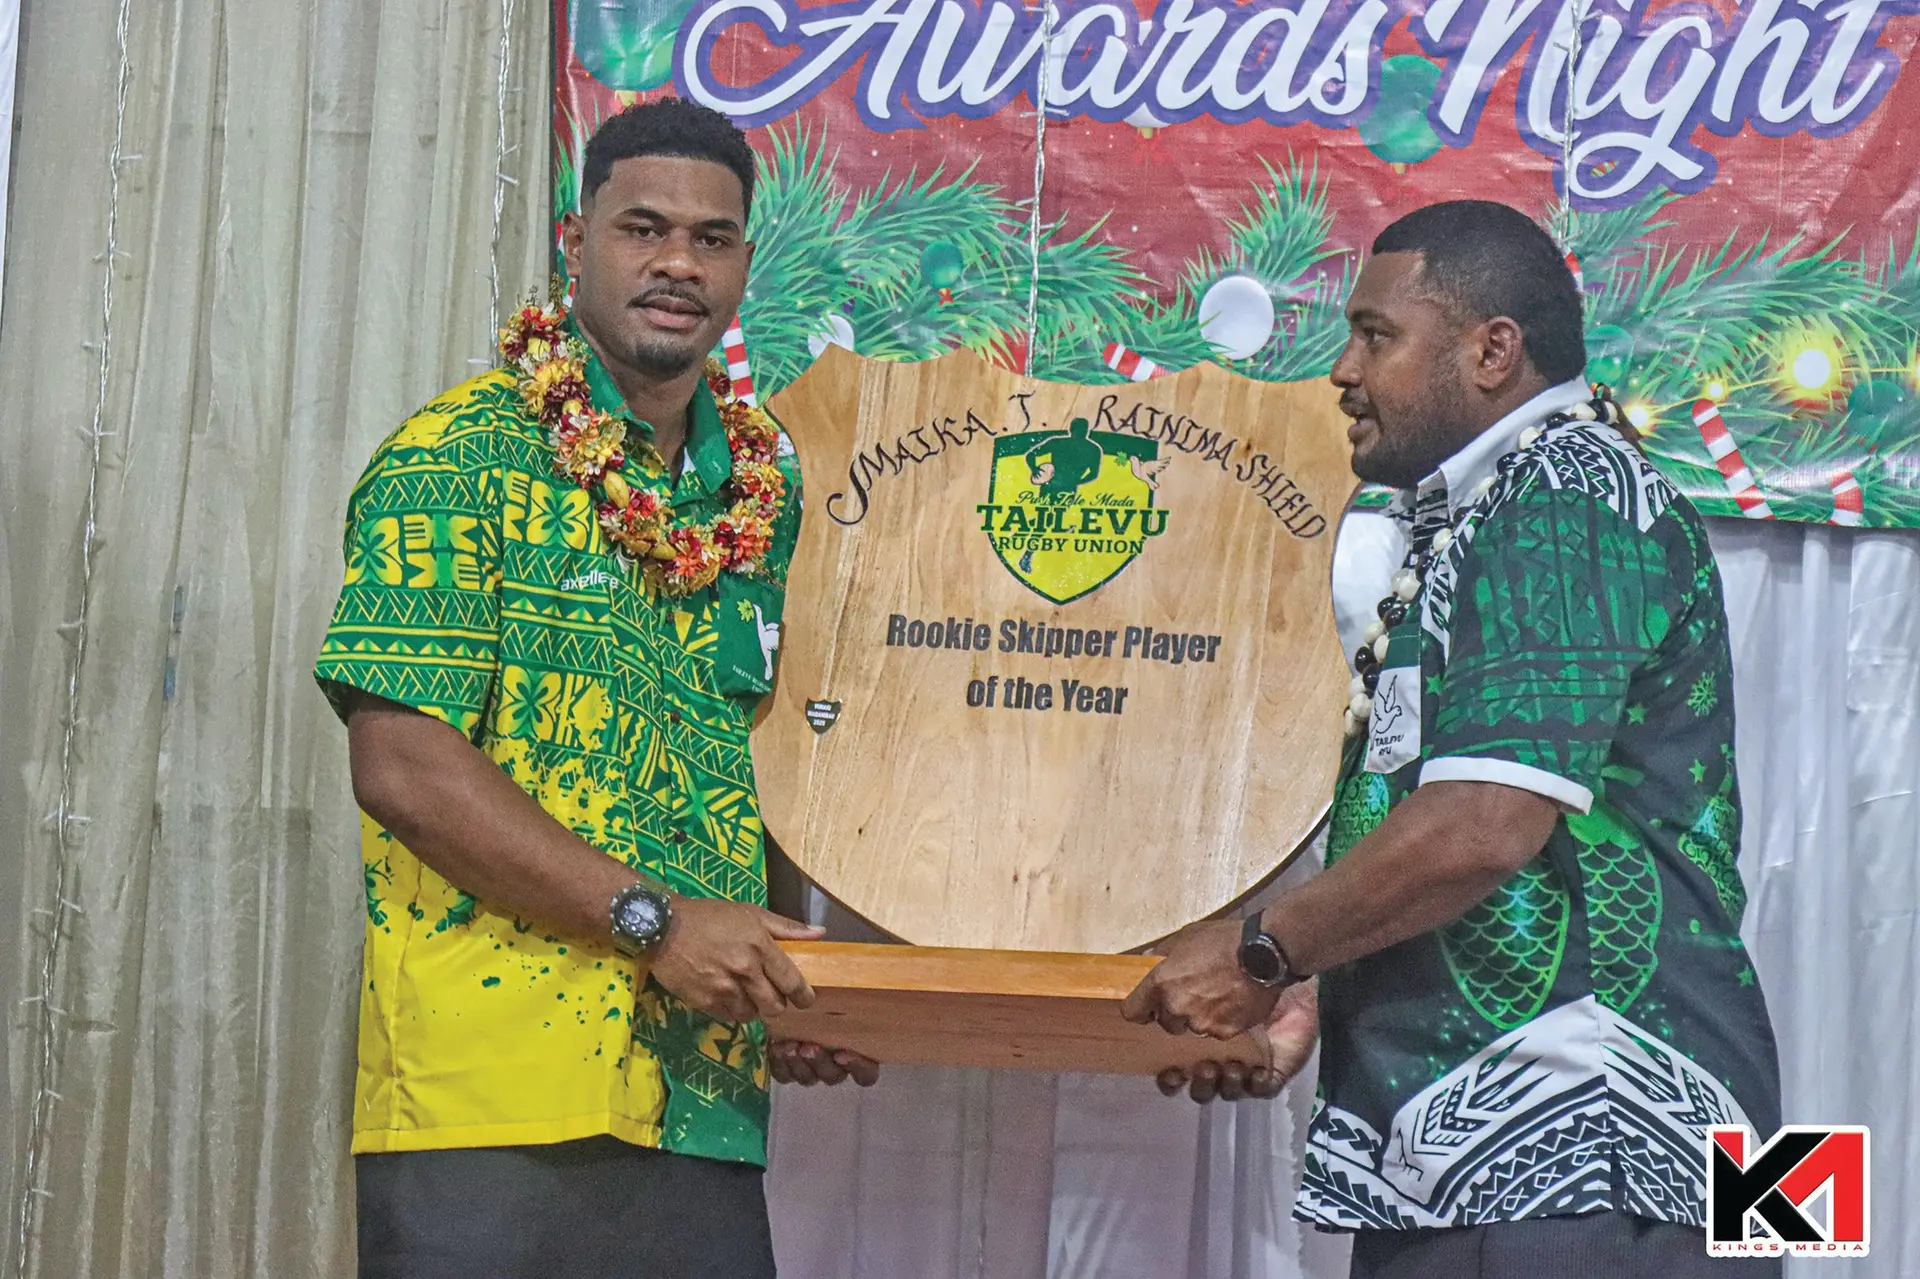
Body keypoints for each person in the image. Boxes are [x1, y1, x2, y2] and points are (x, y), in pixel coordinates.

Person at [1123, 201, 1782, 1277]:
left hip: (1592, 1157)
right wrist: (1314, 987)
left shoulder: (1567, 489)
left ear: (1493, 351)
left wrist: (1263, 948)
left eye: (1375, 334)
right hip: (1568, 1167)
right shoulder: (1489, 510)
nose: (1341, 369)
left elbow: (1486, 824)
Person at [313, 99, 874, 1279]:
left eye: (712, 239)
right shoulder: (455, 457)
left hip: (701, 1096)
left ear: (744, 266)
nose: (679, 263)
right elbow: (405, 763)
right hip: (493, 1095)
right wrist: (660, 926)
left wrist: (786, 964)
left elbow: (765, 751)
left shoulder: (762, 500)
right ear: (575, 241)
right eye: (644, 229)